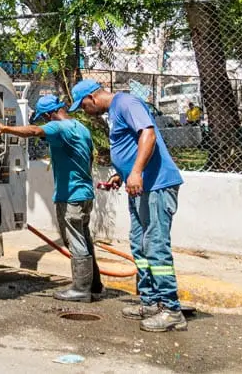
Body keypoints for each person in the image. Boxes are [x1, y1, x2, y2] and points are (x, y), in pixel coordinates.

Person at [69, 79, 186, 332]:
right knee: (139, 245)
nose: (85, 111)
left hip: (156, 185)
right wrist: (121, 175)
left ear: (92, 98)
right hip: (140, 187)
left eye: (83, 106)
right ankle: (150, 301)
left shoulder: (126, 103)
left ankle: (171, 309)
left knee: (155, 245)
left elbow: (148, 134)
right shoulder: (116, 111)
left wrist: (136, 172)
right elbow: (131, 145)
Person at [0, 95, 102, 303]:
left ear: (50, 115)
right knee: (84, 238)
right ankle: (94, 284)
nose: (44, 122)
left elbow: (34, 131)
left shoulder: (58, 127)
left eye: (44, 118)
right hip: (85, 193)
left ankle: (81, 289)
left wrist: (4, 129)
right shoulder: (81, 128)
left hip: (70, 195)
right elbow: (90, 158)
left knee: (75, 240)